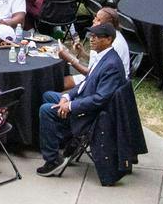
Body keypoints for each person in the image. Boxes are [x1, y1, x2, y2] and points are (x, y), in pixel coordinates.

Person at [37, 23, 124, 176]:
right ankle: (63, 139)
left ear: (109, 39)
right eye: (91, 35)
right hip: (85, 98)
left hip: (91, 114)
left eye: (97, 37)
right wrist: (66, 96)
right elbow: (86, 82)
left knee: (46, 110)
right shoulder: (103, 56)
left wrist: (70, 106)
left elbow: (99, 100)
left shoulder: (111, 65)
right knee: (48, 95)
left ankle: (52, 160)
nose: (92, 39)